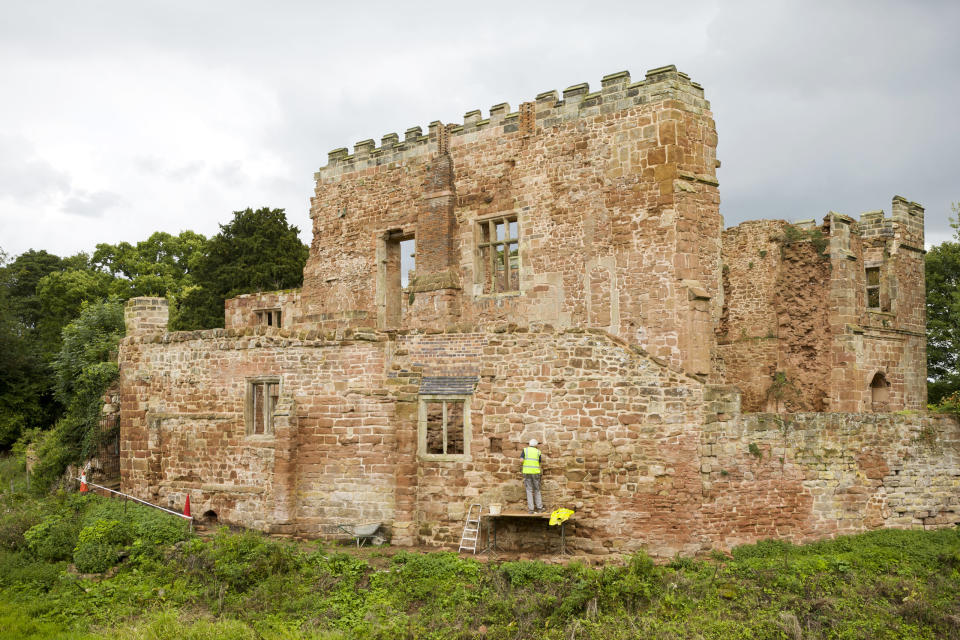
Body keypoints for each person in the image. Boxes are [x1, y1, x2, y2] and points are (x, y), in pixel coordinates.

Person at [521, 438, 544, 513]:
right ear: (536, 445)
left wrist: (525, 462)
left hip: (527, 472)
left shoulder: (525, 450)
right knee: (537, 490)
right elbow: (539, 462)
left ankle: (531, 509)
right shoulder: (538, 452)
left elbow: (521, 460)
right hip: (535, 472)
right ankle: (540, 508)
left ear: (529, 444)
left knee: (529, 490)